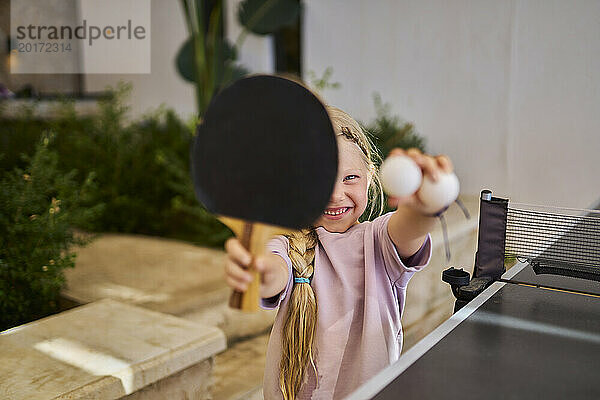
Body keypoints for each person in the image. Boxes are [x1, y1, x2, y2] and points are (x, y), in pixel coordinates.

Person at [224, 106, 453, 399]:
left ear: (370, 179)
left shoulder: (379, 241)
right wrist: (256, 269)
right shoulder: (286, 246)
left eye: (350, 178)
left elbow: (411, 227)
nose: (335, 194)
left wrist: (424, 205)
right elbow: (272, 273)